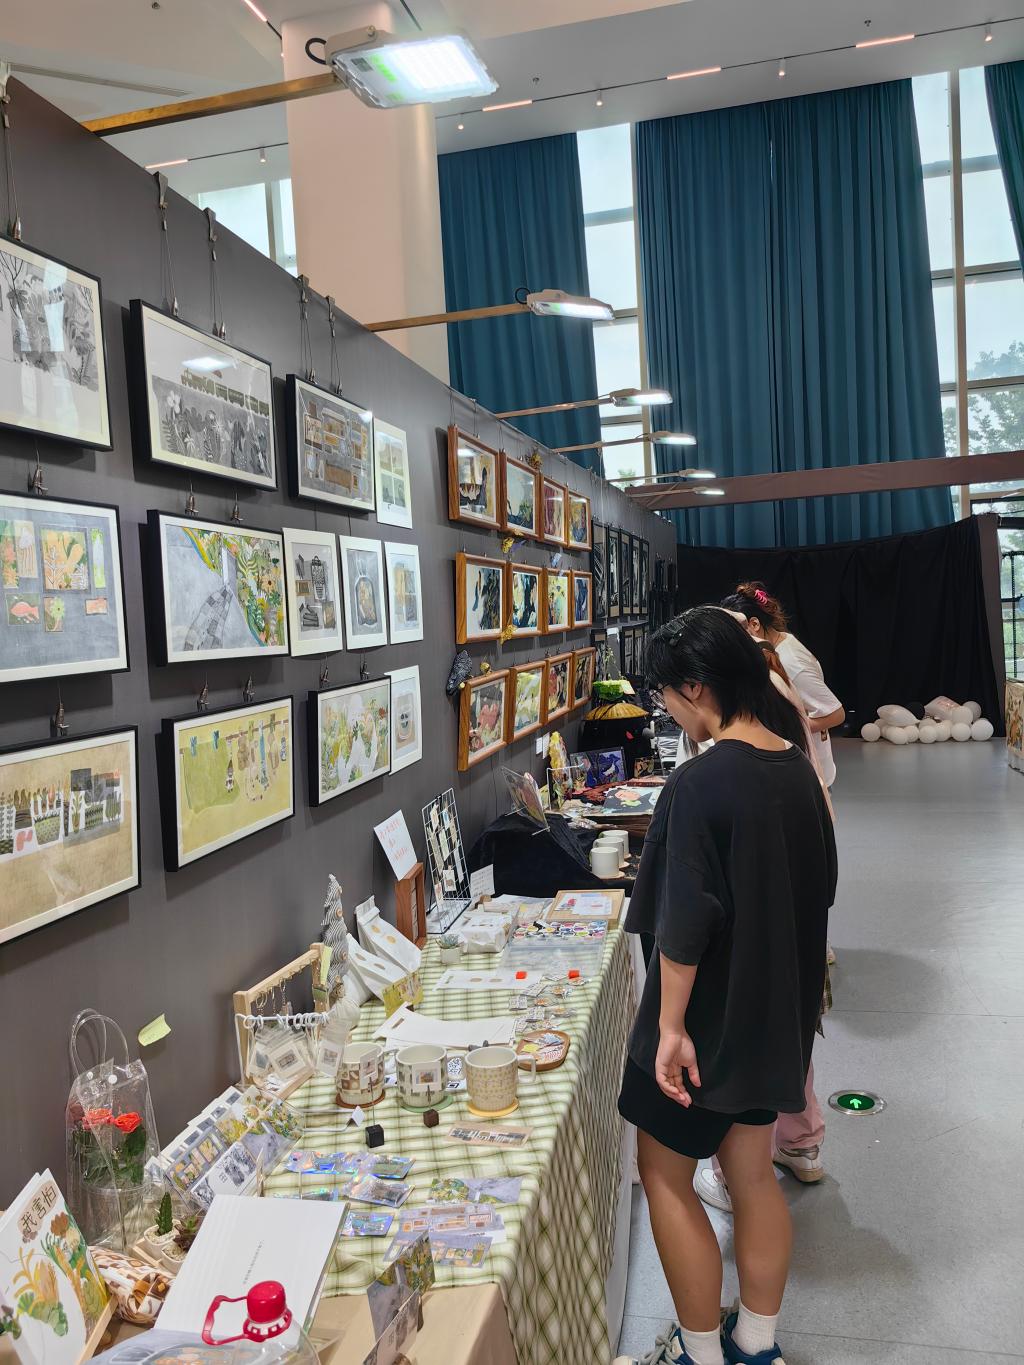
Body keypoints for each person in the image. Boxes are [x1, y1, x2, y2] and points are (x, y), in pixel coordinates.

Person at [616, 608, 837, 1365]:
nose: (668, 710)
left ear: (696, 688)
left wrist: (670, 1029)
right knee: (752, 1174)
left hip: (704, 1022)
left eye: (665, 695)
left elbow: (683, 925)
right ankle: (756, 1344)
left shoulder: (698, 782)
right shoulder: (797, 767)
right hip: (775, 1016)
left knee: (664, 1174)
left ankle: (700, 1352)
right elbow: (821, 889)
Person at [720, 584, 845, 790]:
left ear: (754, 624)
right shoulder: (777, 645)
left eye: (736, 633)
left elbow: (835, 714)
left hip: (808, 770)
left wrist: (780, 724)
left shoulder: (791, 662)